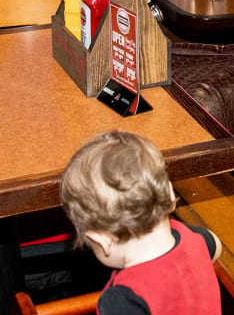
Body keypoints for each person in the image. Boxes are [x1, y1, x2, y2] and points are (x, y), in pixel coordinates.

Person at [60, 131, 222, 315]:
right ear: (170, 195)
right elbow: (216, 245)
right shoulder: (195, 238)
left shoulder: (123, 301)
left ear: (102, 240)